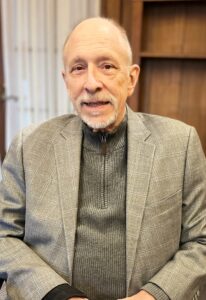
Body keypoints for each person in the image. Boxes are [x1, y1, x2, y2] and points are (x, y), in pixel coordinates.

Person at [0, 17, 206, 300]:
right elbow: (4, 236)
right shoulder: (28, 145)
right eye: (78, 68)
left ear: (131, 78)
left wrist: (154, 296)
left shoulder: (180, 144)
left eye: (107, 66)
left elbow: (201, 240)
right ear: (66, 80)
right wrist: (57, 294)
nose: (91, 83)